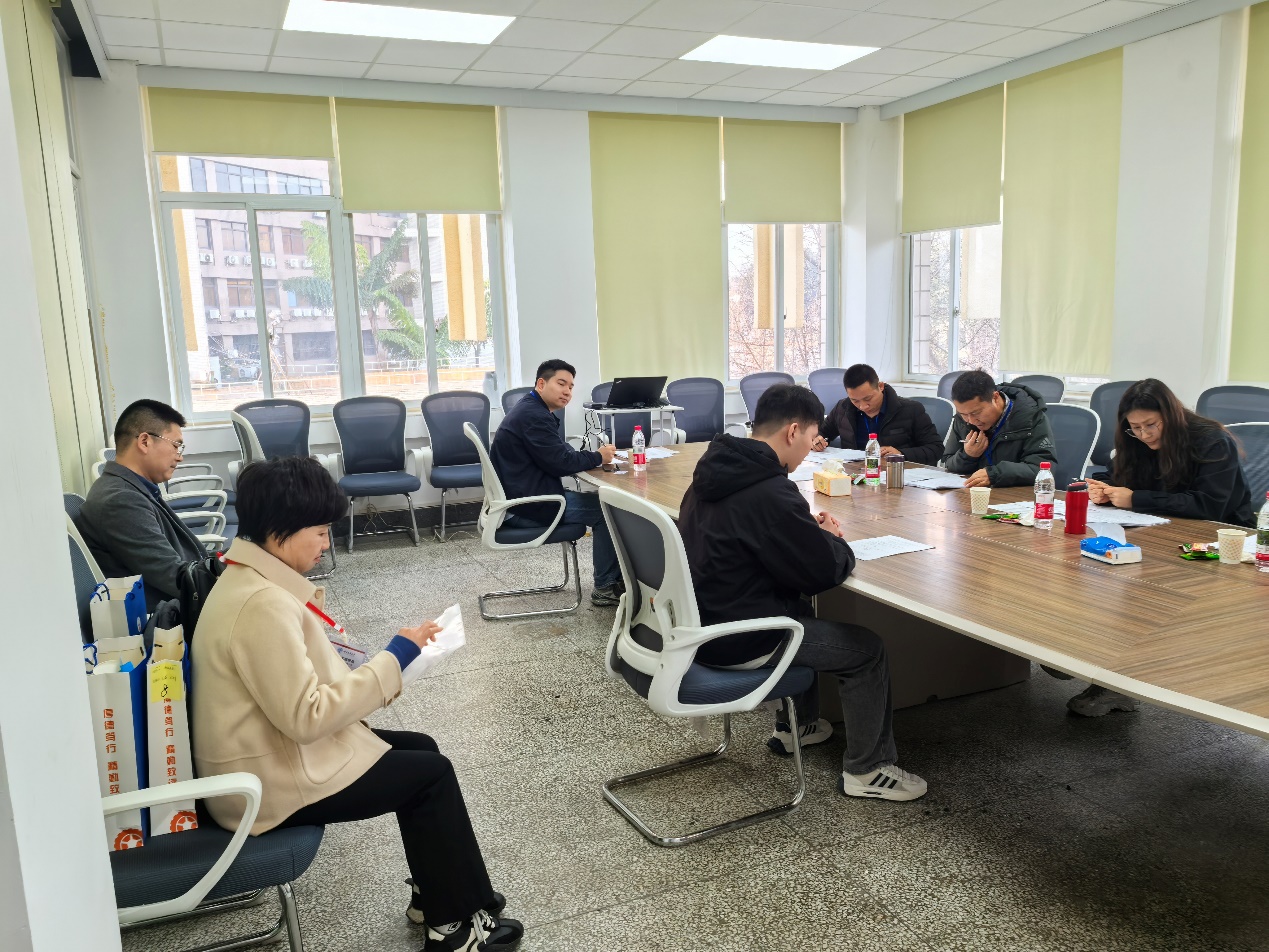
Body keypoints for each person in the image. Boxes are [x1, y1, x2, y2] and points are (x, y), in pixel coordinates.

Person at [192, 457, 522, 952]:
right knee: (430, 776)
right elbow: (308, 717)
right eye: (320, 532)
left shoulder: (248, 579)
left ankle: (440, 895)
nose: (326, 544)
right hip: (267, 783)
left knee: (421, 747)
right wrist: (395, 659)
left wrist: (391, 661)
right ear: (280, 531)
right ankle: (453, 928)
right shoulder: (261, 603)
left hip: (267, 752)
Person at [677, 384, 927, 802]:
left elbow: (757, 536)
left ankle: (799, 726)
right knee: (867, 651)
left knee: (801, 610)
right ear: (793, 431)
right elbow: (822, 572)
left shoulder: (715, 473)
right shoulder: (770, 490)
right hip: (741, 636)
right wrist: (832, 539)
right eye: (812, 439)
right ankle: (869, 770)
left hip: (701, 621)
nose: (811, 449)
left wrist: (805, 529)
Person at [1051, 379, 1255, 717]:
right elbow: (1120, 475)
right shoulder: (1134, 439)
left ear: (1170, 416)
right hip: (1157, 529)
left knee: (1136, 590)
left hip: (1214, 542)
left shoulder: (1211, 441)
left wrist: (1135, 498)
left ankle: (1113, 681)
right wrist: (1104, 487)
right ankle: (1077, 649)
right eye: (1135, 427)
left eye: (1151, 425)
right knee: (1095, 568)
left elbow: (1209, 505)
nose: (1144, 434)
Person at [491, 359, 621, 606]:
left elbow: (558, 452)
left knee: (603, 502)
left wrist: (587, 456)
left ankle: (616, 579)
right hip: (526, 506)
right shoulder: (534, 416)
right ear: (541, 384)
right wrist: (598, 456)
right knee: (608, 509)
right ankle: (606, 587)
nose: (567, 392)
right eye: (561, 384)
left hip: (520, 498)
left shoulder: (531, 409)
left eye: (571, 387)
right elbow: (561, 463)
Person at [76, 399, 207, 611]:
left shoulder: (134, 488)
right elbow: (175, 578)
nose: (180, 457)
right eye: (176, 445)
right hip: (171, 615)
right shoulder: (121, 501)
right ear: (145, 441)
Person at [940, 370, 1057, 488]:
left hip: (1013, 495)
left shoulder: (1030, 418)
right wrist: (968, 456)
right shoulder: (963, 419)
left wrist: (995, 474)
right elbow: (947, 462)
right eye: (963, 414)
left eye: (976, 413)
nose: (970, 421)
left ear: (995, 398)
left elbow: (1043, 469)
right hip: (974, 493)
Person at [812, 363, 944, 464]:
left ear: (880, 386)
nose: (863, 406)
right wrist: (817, 440)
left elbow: (936, 449)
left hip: (896, 477)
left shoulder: (911, 410)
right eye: (855, 400)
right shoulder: (843, 408)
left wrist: (901, 453)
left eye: (868, 399)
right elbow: (821, 433)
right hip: (854, 476)